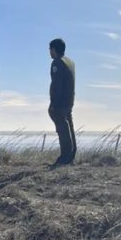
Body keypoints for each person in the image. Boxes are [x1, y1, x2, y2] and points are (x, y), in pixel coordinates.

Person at [48, 38, 77, 167]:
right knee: (69, 127)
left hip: (60, 101)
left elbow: (57, 84)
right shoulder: (70, 62)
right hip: (69, 100)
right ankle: (71, 155)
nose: (49, 52)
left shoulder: (57, 62)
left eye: (50, 49)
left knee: (62, 129)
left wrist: (54, 103)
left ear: (54, 49)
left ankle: (65, 157)